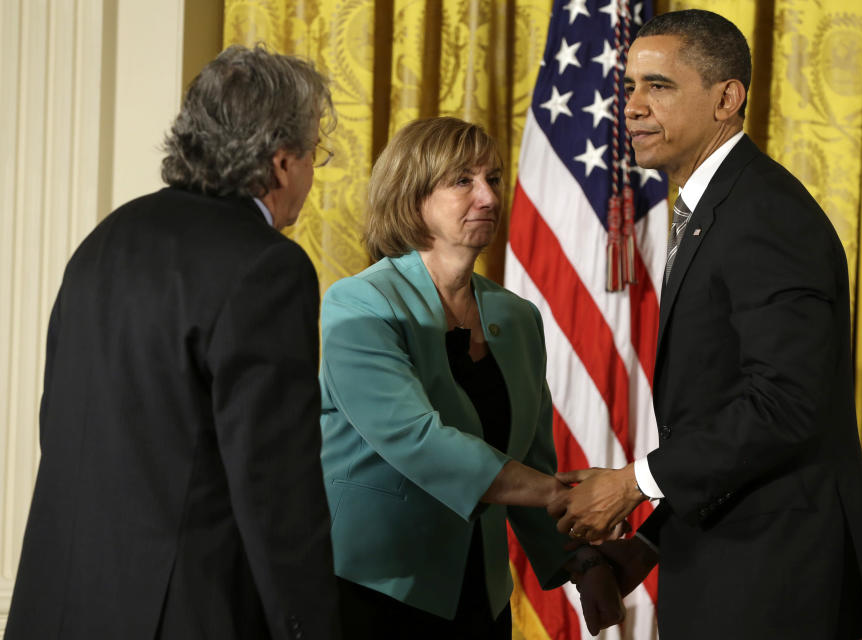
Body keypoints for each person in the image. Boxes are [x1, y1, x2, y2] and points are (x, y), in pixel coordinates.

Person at [547, 10, 862, 640]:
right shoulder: (715, 207)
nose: (631, 107)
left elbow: (783, 406)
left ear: (726, 99)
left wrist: (635, 484)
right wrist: (649, 545)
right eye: (628, 87)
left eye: (658, 86)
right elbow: (723, 414)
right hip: (731, 563)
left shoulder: (765, 214)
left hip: (776, 582)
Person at [6, 45, 341, 639]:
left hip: (56, 604)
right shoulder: (269, 268)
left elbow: (57, 421)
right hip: (183, 614)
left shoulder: (105, 238)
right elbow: (276, 493)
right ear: (283, 161)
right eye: (317, 154)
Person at [319, 116, 623, 638]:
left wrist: (584, 565)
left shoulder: (518, 317)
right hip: (377, 587)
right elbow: (419, 441)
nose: (487, 196)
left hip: (479, 593)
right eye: (462, 180)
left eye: (494, 179)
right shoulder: (361, 303)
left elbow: (528, 458)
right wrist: (558, 493)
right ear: (412, 195)